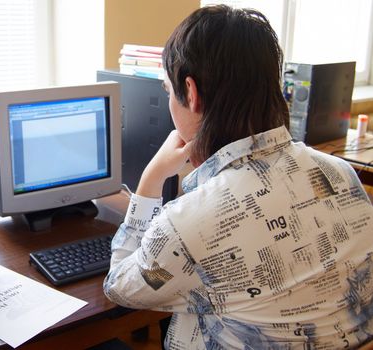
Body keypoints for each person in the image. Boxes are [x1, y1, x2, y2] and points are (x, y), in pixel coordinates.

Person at [103, 5, 373, 349]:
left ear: (192, 92)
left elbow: (120, 288)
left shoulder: (189, 225)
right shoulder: (341, 176)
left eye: (169, 92)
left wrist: (149, 183)